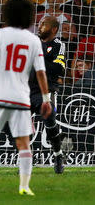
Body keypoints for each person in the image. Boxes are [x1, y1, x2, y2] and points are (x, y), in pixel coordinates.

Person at [0, 0, 51, 196]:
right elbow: (41, 72)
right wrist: (47, 99)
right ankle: (24, 187)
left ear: (8, 13)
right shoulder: (33, 40)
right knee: (23, 143)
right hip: (21, 99)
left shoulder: (0, 33)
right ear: (29, 16)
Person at [28, 16, 66, 174]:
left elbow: (59, 70)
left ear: (54, 29)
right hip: (26, 89)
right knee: (20, 125)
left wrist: (38, 59)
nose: (40, 26)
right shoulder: (31, 41)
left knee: (49, 121)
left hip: (46, 90)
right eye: (40, 23)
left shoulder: (58, 45)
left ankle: (58, 155)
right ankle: (27, 160)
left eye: (44, 24)